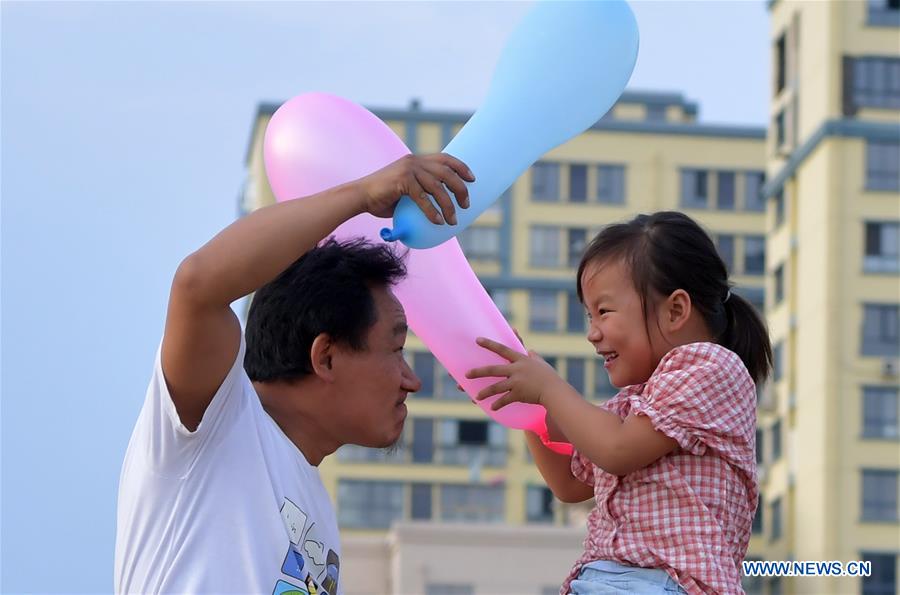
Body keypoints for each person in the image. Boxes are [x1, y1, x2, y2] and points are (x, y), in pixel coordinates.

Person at [114, 153, 474, 594]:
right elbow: (197, 286)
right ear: (325, 357)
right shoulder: (211, 424)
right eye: (396, 348)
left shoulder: (317, 509)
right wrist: (361, 194)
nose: (411, 380)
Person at [467, 211, 772, 595]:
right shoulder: (635, 404)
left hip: (666, 583)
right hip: (609, 580)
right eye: (589, 316)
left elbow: (616, 449)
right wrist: (523, 400)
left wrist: (547, 388)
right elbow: (568, 482)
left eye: (604, 311)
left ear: (675, 310)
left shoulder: (712, 368)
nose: (592, 333)